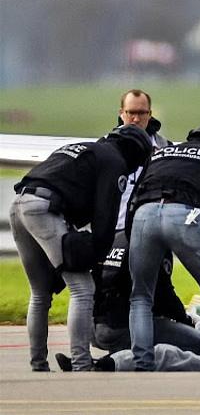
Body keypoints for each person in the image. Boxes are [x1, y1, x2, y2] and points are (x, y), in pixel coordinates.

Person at [9, 125, 152, 371]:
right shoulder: (115, 161)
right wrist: (96, 255)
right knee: (83, 288)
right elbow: (105, 219)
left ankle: (38, 364)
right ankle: (82, 364)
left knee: (40, 293)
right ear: (134, 153)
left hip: (19, 205)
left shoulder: (83, 148)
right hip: (46, 209)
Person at [128, 124, 200, 371]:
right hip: (186, 215)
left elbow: (134, 196)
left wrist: (132, 239)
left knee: (140, 297)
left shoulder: (161, 153)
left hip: (143, 215)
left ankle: (142, 364)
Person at [115, 89, 169, 230]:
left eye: (142, 113)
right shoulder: (104, 147)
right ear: (121, 113)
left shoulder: (165, 149)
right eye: (131, 112)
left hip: (151, 233)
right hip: (113, 233)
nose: (136, 119)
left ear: (150, 114)